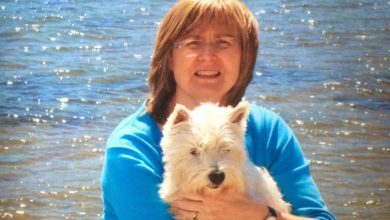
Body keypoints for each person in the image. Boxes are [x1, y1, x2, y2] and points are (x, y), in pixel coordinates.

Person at [101, 0, 336, 219]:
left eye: (223, 42)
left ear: (245, 56)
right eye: (193, 42)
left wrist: (261, 215)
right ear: (169, 56)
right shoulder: (130, 149)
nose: (208, 57)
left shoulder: (268, 130)